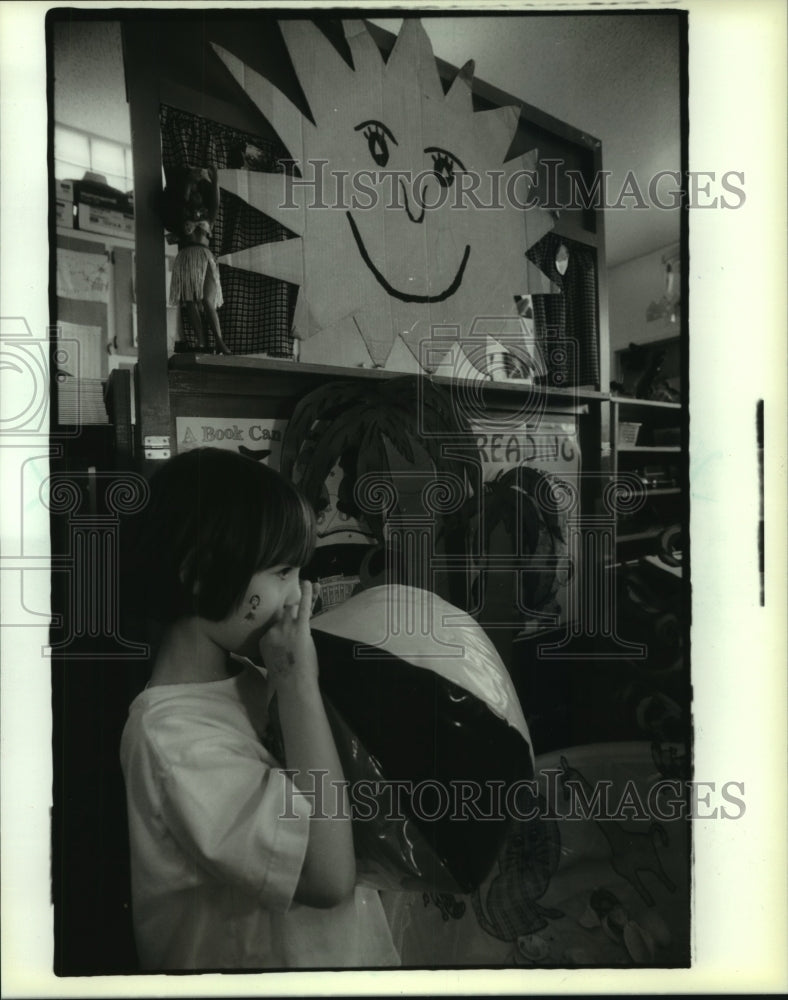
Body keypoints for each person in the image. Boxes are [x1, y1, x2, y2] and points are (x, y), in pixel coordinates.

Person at [120, 448, 399, 970]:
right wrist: (296, 682)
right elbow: (327, 878)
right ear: (202, 576)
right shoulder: (172, 738)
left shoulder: (250, 679)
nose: (298, 595)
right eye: (283, 571)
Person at [163, 165, 232, 355]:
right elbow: (181, 201)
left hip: (204, 256)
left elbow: (215, 202)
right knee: (190, 301)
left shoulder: (209, 216)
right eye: (193, 192)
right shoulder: (181, 213)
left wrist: (216, 179)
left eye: (198, 193)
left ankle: (218, 340)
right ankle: (202, 342)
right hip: (187, 256)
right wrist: (189, 182)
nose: (196, 195)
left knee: (207, 300)